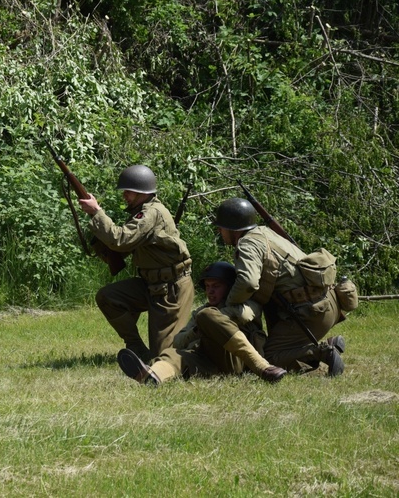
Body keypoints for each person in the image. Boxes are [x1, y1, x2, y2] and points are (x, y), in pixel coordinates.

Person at [213, 197, 346, 375]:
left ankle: (324, 352)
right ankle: (329, 345)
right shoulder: (265, 232)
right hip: (327, 303)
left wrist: (229, 305)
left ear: (232, 229)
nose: (220, 232)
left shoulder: (248, 244)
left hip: (310, 312)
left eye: (221, 228)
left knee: (266, 358)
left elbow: (248, 282)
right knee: (277, 352)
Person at [78, 165, 194, 363]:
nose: (125, 196)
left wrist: (97, 212)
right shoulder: (141, 212)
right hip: (151, 285)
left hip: (171, 290)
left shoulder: (151, 213)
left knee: (163, 358)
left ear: (142, 192)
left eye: (128, 192)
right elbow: (122, 248)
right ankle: (136, 347)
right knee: (108, 297)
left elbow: (121, 239)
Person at [116, 262, 287, 385]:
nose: (210, 291)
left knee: (207, 315)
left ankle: (263, 367)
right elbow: (179, 340)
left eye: (216, 286)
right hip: (208, 362)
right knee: (173, 353)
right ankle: (152, 376)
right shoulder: (202, 313)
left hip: (236, 362)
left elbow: (247, 315)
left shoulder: (245, 304)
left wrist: (211, 319)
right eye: (207, 286)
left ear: (229, 287)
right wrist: (200, 328)